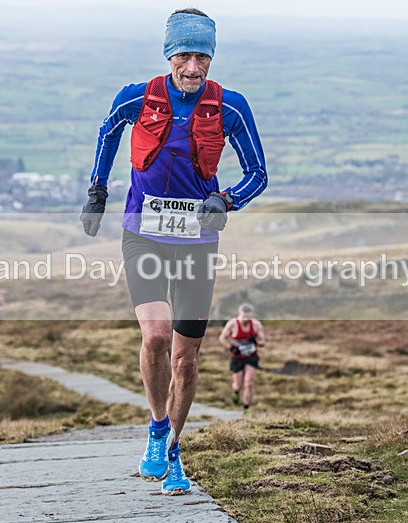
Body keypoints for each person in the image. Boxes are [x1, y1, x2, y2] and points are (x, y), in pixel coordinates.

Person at [79, 8, 267, 495]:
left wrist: (227, 200)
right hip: (143, 233)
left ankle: (175, 449)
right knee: (157, 335)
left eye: (202, 57)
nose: (192, 67)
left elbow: (258, 174)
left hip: (196, 242)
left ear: (211, 59)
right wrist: (97, 191)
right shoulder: (136, 96)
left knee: (186, 359)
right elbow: (107, 133)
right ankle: (157, 426)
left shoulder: (231, 107)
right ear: (169, 55)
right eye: (183, 55)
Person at [219, 303, 266, 414]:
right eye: (244, 317)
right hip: (237, 358)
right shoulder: (232, 324)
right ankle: (235, 392)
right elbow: (222, 338)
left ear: (251, 316)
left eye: (248, 317)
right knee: (238, 385)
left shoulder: (256, 324)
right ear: (239, 314)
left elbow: (263, 341)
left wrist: (256, 341)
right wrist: (231, 348)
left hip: (251, 357)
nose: (246, 320)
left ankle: (245, 409)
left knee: (248, 383)